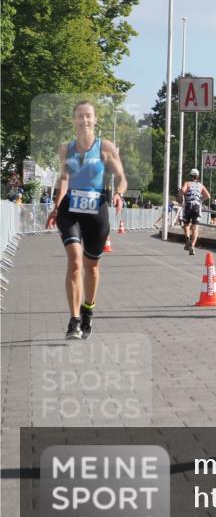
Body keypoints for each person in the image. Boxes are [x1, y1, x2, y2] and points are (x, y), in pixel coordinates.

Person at [46, 101, 126, 340]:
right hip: (70, 208)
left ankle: (88, 309)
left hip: (96, 211)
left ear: (95, 119)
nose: (84, 120)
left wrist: (119, 193)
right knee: (75, 262)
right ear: (74, 120)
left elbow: (122, 177)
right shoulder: (65, 149)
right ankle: (73, 320)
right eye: (80, 116)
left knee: (91, 267)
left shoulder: (105, 148)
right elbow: (63, 179)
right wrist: (56, 206)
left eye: (88, 116)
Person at [178, 169, 210, 255]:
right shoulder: (201, 185)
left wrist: (181, 197)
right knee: (195, 228)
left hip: (188, 205)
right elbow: (208, 196)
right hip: (197, 206)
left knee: (187, 224)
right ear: (198, 176)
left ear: (190, 176)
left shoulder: (187, 183)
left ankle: (187, 239)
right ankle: (192, 245)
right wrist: (200, 200)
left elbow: (183, 190)